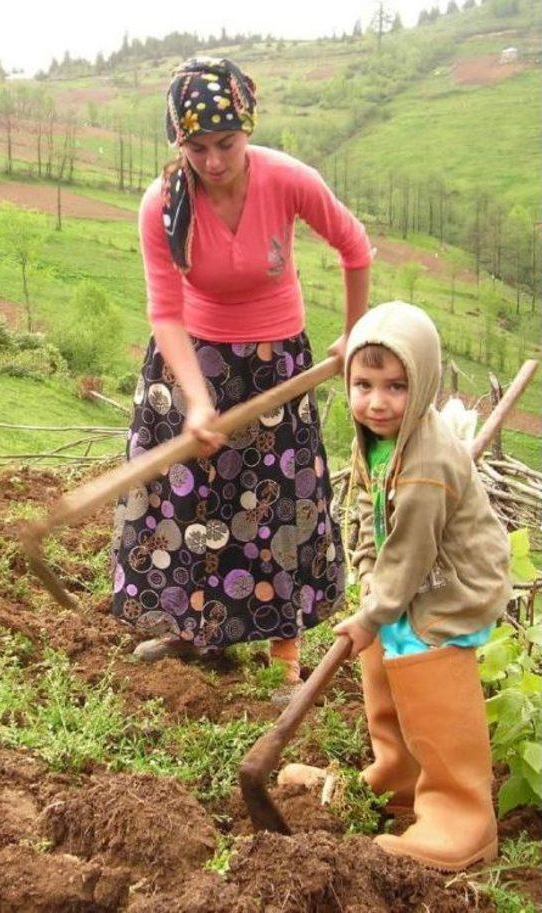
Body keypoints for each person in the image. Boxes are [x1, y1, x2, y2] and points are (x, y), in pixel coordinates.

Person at [110, 57, 372, 692]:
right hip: (189, 364)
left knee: (279, 501)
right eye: (196, 147)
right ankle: (188, 631)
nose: (214, 161)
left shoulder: (287, 180)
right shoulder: (163, 204)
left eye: (226, 143)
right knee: (185, 497)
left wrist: (352, 334)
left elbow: (354, 245)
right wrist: (196, 403)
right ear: (179, 143)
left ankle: (286, 652)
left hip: (274, 362)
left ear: (247, 130)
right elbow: (165, 312)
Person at [283, 301, 511, 870]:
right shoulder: (378, 440)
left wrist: (375, 608)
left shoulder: (426, 463)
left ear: (426, 385)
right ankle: (397, 775)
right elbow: (364, 508)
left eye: (396, 386)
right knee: (387, 651)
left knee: (425, 657)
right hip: (408, 580)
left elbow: (411, 551)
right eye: (363, 384)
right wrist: (367, 578)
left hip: (451, 586)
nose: (376, 401)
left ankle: (462, 816)